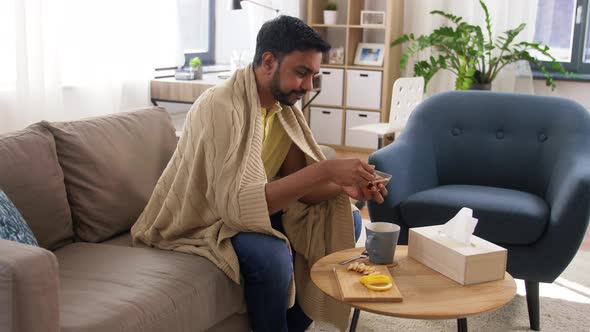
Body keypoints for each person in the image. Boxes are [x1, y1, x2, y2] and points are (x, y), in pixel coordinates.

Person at [131, 15, 388, 332]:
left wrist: (344, 188)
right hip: (208, 220)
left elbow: (302, 190)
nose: (308, 87)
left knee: (347, 218)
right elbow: (236, 207)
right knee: (272, 255)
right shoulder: (221, 106)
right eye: (301, 73)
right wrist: (327, 169)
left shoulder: (284, 110)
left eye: (313, 76)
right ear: (268, 62)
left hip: (252, 211)